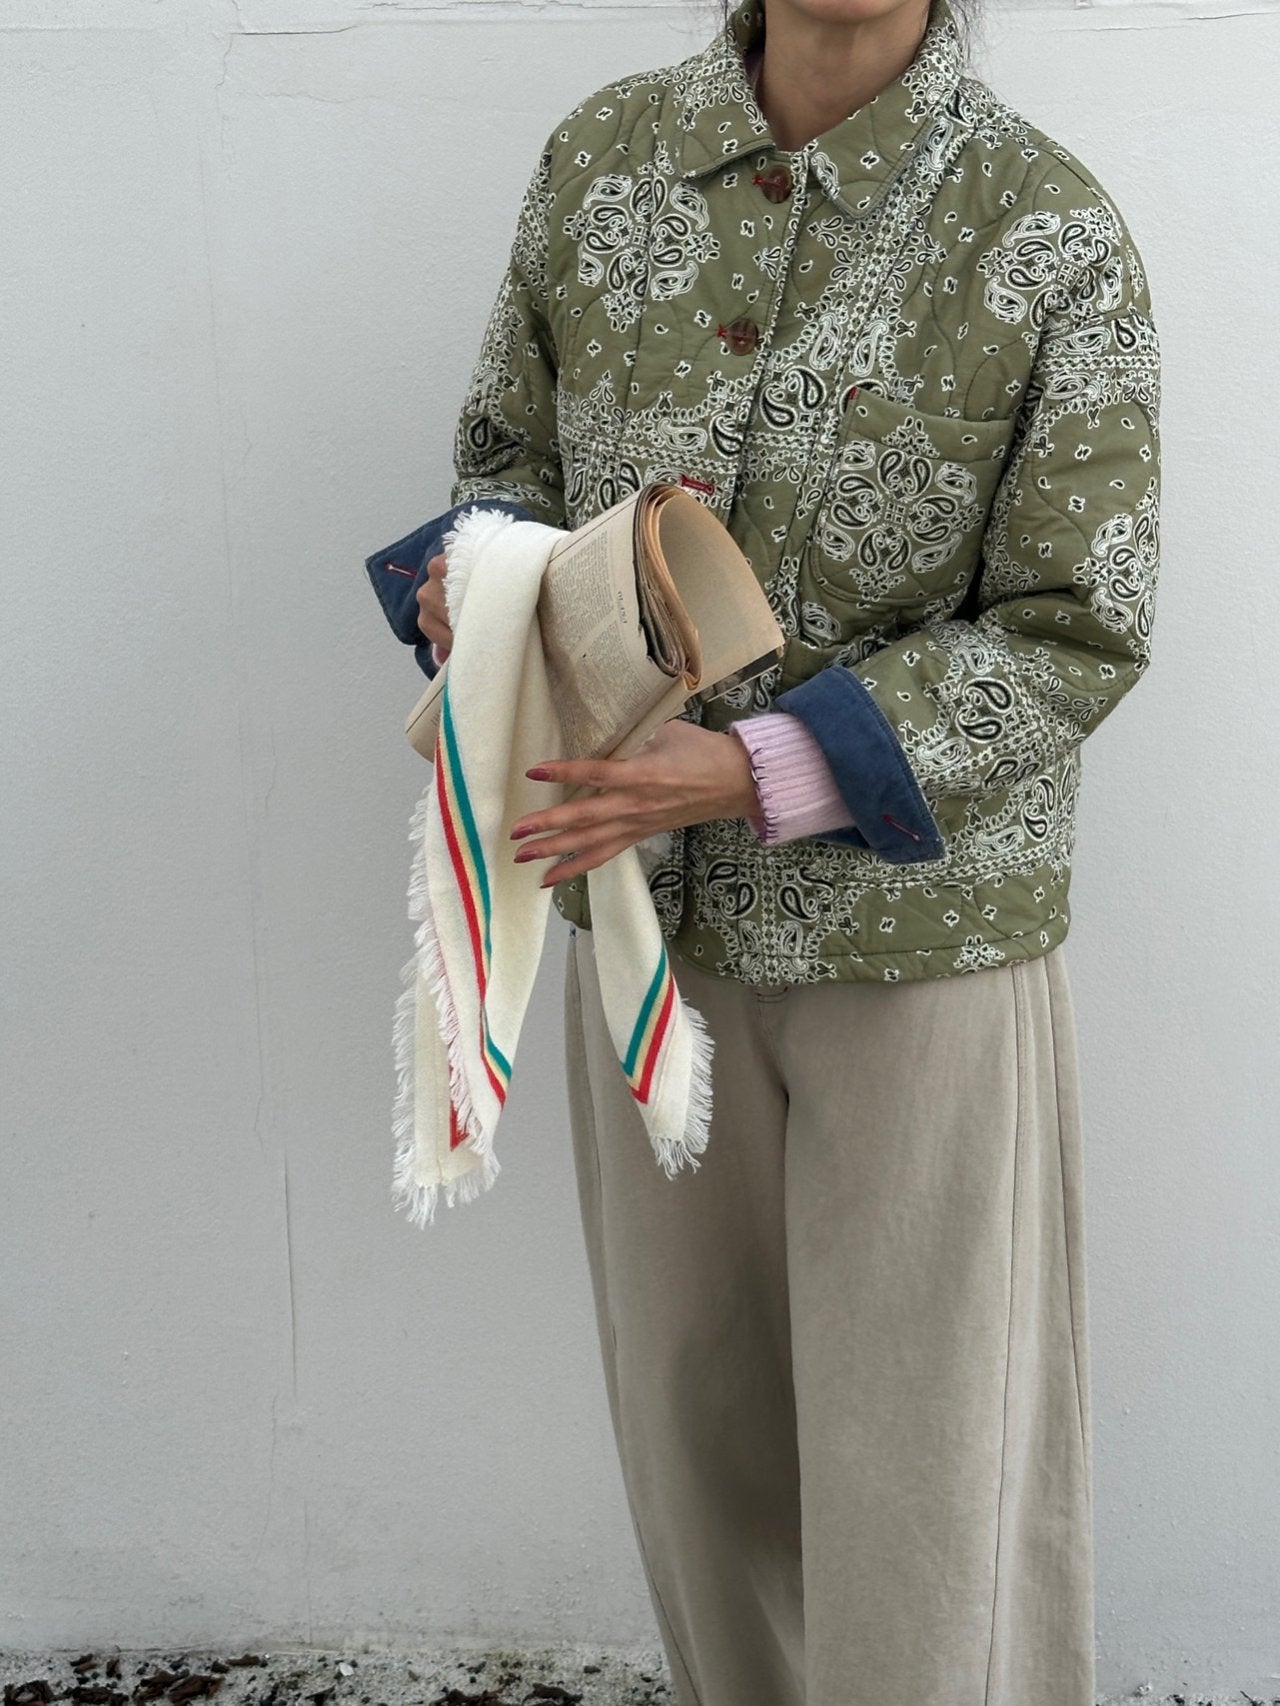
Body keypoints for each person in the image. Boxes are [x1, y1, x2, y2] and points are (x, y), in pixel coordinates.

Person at [367, 0, 1160, 1698]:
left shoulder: (1046, 228)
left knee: (930, 1480)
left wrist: (747, 770)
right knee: (696, 1447)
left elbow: (1074, 628)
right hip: (649, 926)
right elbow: (503, 472)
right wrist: (474, 585)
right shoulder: (604, 164)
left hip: (921, 953)